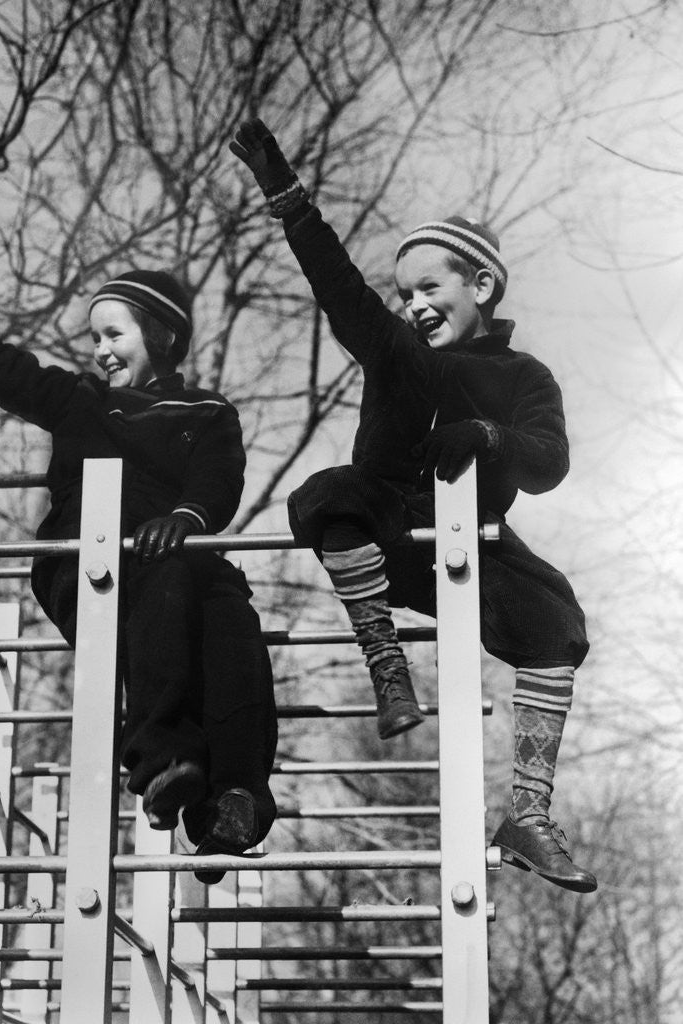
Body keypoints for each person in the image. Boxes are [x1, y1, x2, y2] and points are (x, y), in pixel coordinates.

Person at [230, 120, 596, 893]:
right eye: (406, 294)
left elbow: (549, 462)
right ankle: (386, 664)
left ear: (482, 288)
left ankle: (527, 811)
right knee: (329, 495)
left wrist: (490, 433)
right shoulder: (397, 353)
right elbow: (340, 288)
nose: (417, 305)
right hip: (394, 524)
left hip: (478, 540)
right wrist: (288, 198)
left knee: (555, 619)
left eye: (432, 288)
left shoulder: (524, 375)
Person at [0, 205, 278, 884]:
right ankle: (162, 756)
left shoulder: (206, 414)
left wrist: (187, 516)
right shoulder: (77, 401)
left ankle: (230, 800)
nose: (100, 349)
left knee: (231, 620)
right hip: (86, 557)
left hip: (173, 551)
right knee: (165, 582)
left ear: (160, 336)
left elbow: (220, 478)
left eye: (113, 334)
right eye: (94, 336)